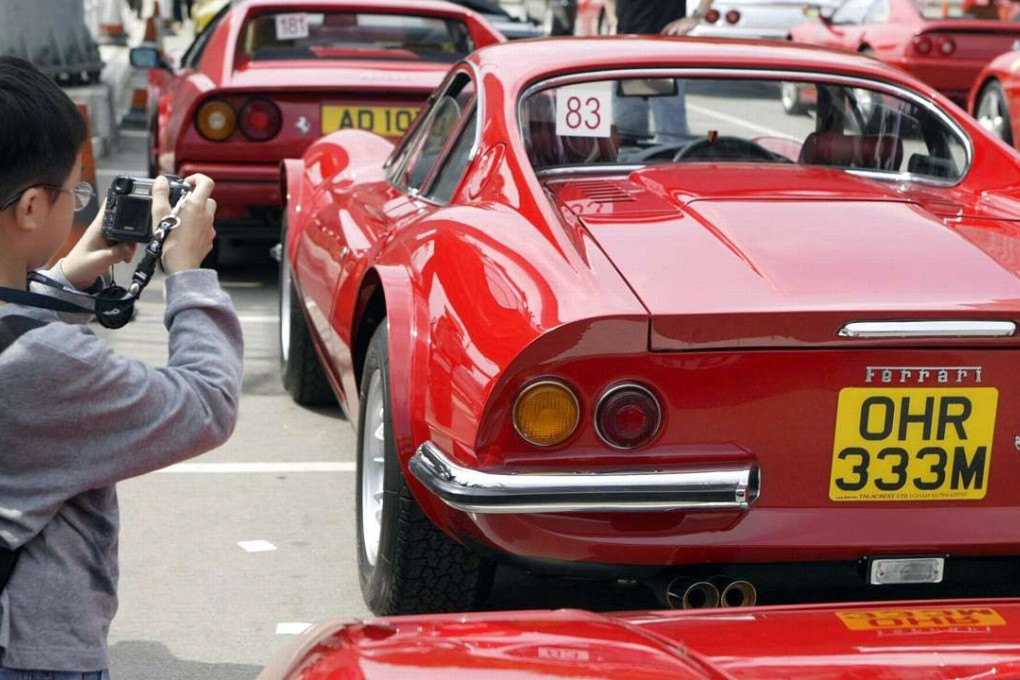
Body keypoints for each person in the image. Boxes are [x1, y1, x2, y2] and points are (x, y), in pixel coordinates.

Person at [0, 56, 243, 678]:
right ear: (31, 207)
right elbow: (206, 404)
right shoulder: (46, 361)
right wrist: (187, 274)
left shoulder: (30, 351)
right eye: (73, 193)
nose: (78, 206)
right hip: (31, 654)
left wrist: (63, 278)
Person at [612, 0, 715, 142]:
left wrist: (696, 16)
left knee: (670, 133)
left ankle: (670, 160)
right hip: (629, 48)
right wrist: (612, 18)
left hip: (664, 49)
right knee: (628, 132)